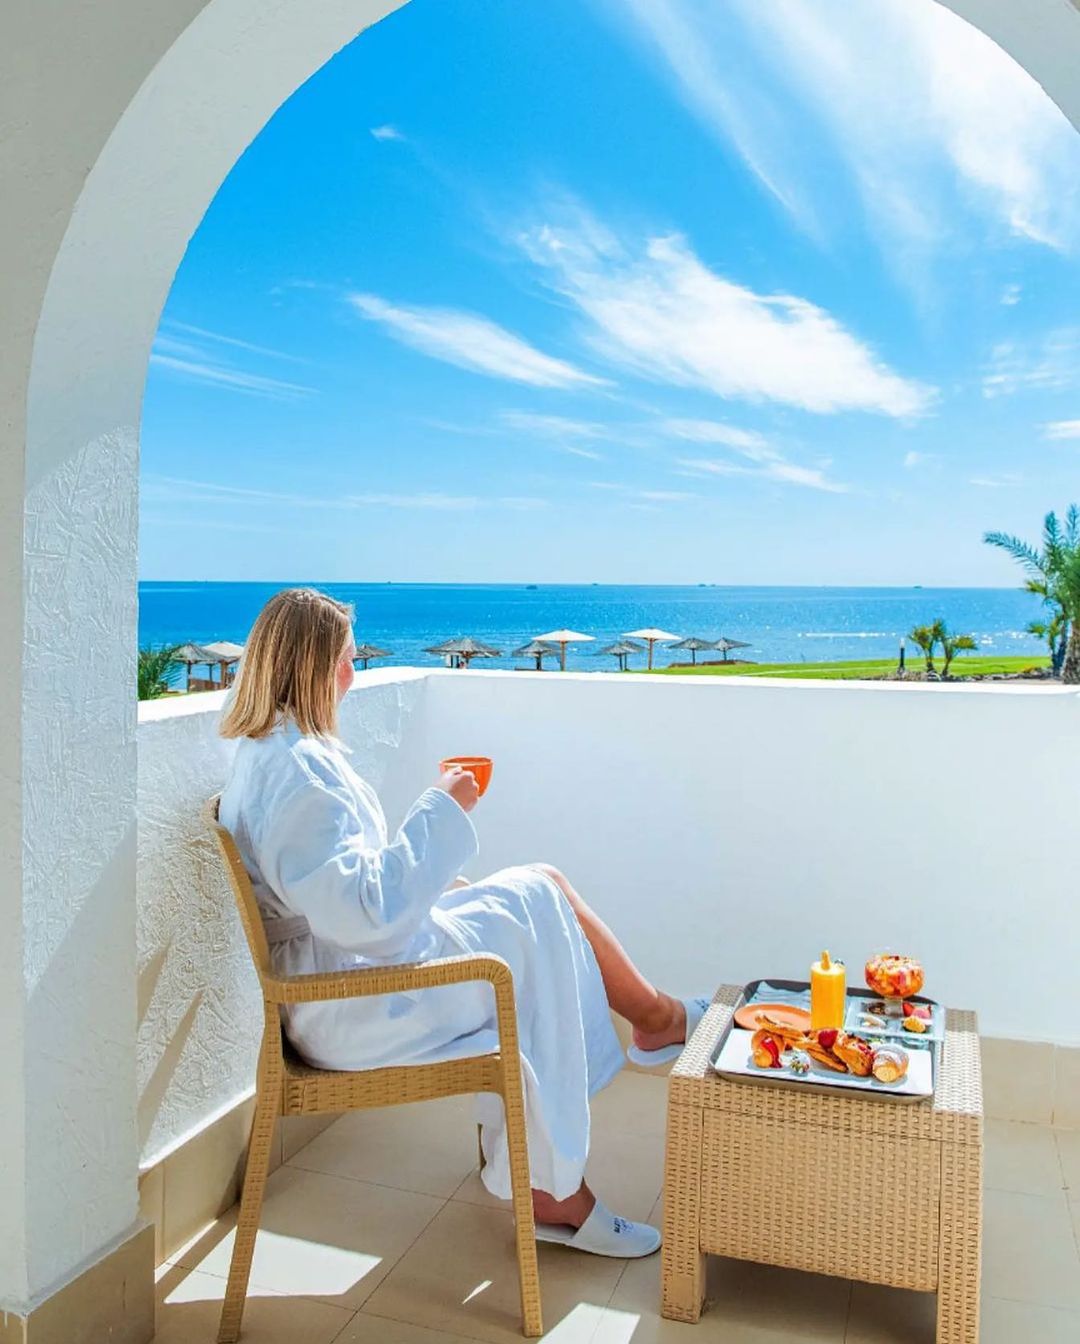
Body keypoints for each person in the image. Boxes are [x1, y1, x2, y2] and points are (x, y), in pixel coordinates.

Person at [218, 588, 707, 1258]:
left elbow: (343, 892)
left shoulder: (275, 755)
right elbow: (366, 915)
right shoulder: (298, 774)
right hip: (353, 1005)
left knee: (538, 890)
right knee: (534, 904)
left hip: (350, 975)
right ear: (310, 666)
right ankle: (569, 1168)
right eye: (345, 661)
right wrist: (440, 807)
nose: (353, 676)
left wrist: (434, 869)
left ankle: (651, 1027)